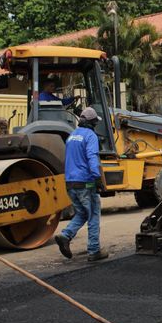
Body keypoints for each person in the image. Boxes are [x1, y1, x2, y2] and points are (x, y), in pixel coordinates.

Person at [54, 107, 108, 261]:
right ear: (92, 123)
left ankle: (65, 236)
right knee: (93, 215)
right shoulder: (90, 135)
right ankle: (94, 250)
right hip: (86, 183)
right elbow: (92, 157)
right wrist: (97, 179)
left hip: (70, 183)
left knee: (82, 213)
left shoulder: (72, 136)